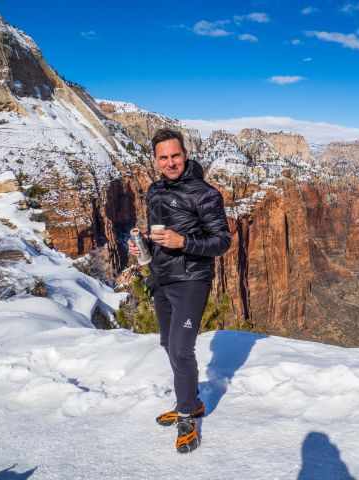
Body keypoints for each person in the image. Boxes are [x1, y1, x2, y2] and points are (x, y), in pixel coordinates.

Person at [128, 128, 231, 453]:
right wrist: (142, 244)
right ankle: (191, 400)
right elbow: (159, 234)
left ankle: (187, 414)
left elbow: (222, 242)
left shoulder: (206, 194)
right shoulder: (155, 191)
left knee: (181, 349)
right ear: (156, 160)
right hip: (162, 278)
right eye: (164, 157)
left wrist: (183, 242)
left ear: (184, 155)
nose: (170, 162)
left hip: (191, 279)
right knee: (167, 344)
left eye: (175, 155)